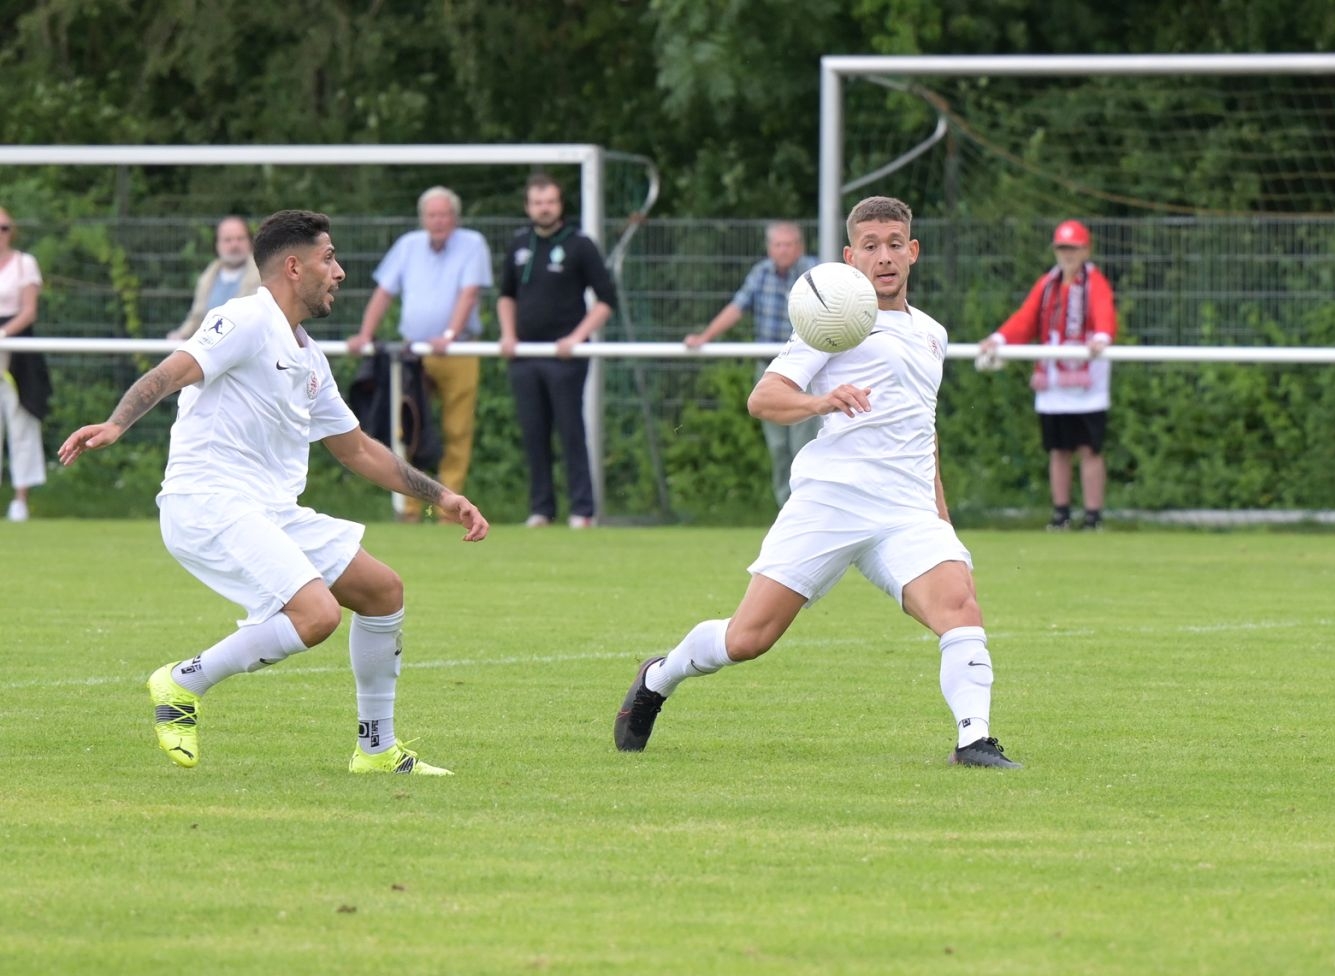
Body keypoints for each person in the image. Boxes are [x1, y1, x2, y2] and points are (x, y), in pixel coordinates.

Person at [57, 209, 490, 774]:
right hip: (208, 501)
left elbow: (358, 449)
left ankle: (377, 751)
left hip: (269, 510)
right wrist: (118, 423)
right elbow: (172, 371)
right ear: (293, 267)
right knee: (317, 615)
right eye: (328, 258)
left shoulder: (309, 357)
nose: (339, 272)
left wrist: (442, 497)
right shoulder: (245, 318)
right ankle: (183, 682)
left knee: (382, 591)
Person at [615, 195, 1018, 769]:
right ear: (851, 257)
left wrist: (941, 520)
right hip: (831, 502)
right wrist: (821, 401)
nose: (884, 257)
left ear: (913, 251)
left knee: (960, 606)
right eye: (871, 246)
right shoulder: (832, 321)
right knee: (747, 639)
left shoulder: (933, 333)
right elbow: (763, 399)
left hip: (905, 512)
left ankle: (973, 741)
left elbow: (924, 431)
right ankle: (659, 677)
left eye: (894, 244)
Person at [348, 186, 493, 521]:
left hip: (458, 349)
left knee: (457, 430)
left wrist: (449, 335)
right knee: (409, 428)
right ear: (422, 218)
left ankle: (452, 511)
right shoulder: (408, 246)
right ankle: (411, 507)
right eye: (432, 215)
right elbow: (384, 292)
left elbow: (469, 294)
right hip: (414, 354)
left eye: (444, 215)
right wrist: (366, 333)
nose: (438, 221)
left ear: (455, 218)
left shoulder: (472, 244)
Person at [978, 219, 1116, 531]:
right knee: (1058, 449)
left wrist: (1102, 337)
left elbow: (1104, 312)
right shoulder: (1048, 284)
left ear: (1086, 250)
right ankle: (1061, 514)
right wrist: (998, 339)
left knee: (1090, 449)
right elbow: (1025, 319)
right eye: (1063, 248)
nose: (1068, 254)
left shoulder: (1094, 282)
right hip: (1053, 381)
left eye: (1073, 248)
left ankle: (1093, 517)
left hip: (1088, 382)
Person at [498, 175, 617, 528]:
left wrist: (577, 338)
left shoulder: (580, 244)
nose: (544, 208)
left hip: (566, 359)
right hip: (524, 357)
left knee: (571, 431)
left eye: (550, 201)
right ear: (527, 207)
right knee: (534, 434)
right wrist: (508, 335)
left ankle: (582, 510)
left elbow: (606, 300)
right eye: (537, 202)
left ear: (560, 205)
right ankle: (541, 510)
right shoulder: (520, 244)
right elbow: (506, 296)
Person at [685, 220, 820, 505]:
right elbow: (737, 307)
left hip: (804, 370)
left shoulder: (814, 273)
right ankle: (786, 508)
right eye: (778, 245)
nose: (783, 250)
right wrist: (705, 336)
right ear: (769, 248)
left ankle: (808, 506)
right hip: (770, 370)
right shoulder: (761, 273)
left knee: (804, 444)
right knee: (778, 447)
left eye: (788, 244)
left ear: (800, 247)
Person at [0, 207, 49, 522]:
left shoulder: (24, 263)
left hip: (16, 350)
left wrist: (3, 334)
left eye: (4, 227)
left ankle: (20, 501)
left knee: (21, 424)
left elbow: (29, 311)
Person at [166, 216, 260, 341]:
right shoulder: (207, 279)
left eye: (240, 238)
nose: (234, 244)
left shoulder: (263, 275)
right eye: (228, 240)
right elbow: (196, 317)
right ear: (217, 244)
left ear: (250, 241)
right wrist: (180, 335)